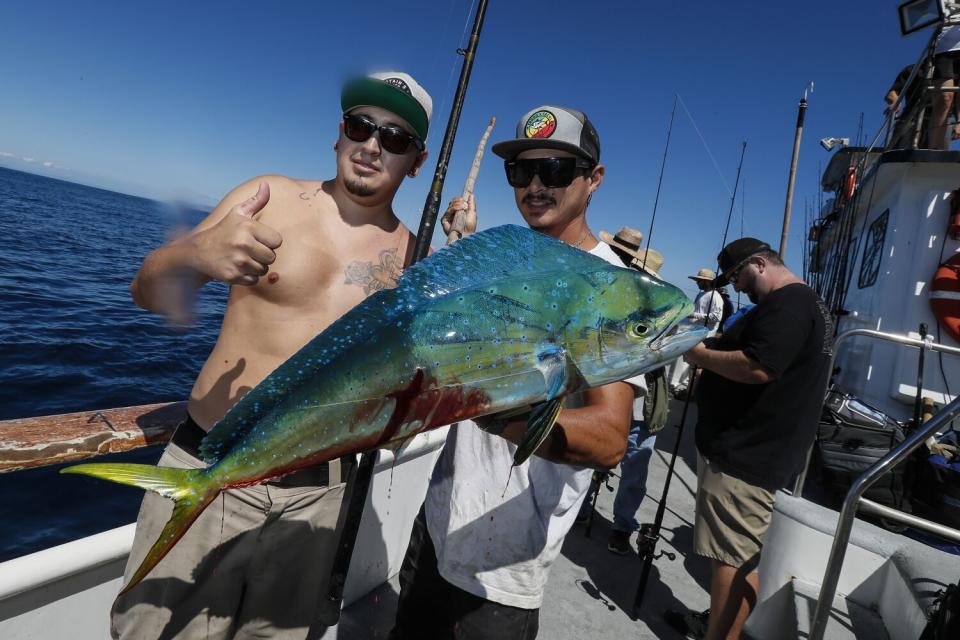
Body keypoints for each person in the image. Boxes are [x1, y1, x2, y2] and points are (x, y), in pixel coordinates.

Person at [115, 71, 432, 640]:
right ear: (339, 133)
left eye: (395, 138)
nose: (372, 145)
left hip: (319, 496)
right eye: (361, 126)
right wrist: (196, 253)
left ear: (416, 161)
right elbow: (145, 292)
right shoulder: (266, 198)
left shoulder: (417, 261)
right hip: (209, 471)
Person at [390, 105, 638, 639]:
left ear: (593, 180)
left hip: (503, 570)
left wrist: (484, 413)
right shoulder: (506, 260)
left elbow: (609, 438)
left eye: (554, 171)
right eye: (521, 171)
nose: (534, 186)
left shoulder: (612, 287)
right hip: (436, 527)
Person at [678, 238, 833, 640]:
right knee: (737, 558)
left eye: (738, 277)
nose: (738, 288)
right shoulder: (801, 304)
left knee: (730, 561)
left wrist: (696, 354)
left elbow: (758, 367)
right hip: (752, 453)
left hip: (744, 457)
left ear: (760, 264)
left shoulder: (788, 305)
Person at [575, 229, 668, 555]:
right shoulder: (608, 293)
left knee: (634, 469)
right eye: (621, 256)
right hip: (606, 392)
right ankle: (581, 508)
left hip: (642, 409)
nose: (623, 263)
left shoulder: (656, 305)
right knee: (591, 456)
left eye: (630, 260)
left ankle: (621, 527)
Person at [669, 268, 724, 398]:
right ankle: (687, 389)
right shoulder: (700, 294)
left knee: (697, 367)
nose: (697, 283)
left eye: (699, 281)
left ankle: (691, 393)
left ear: (707, 282)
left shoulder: (716, 297)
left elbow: (717, 317)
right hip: (694, 334)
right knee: (691, 364)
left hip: (706, 337)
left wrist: (696, 315)